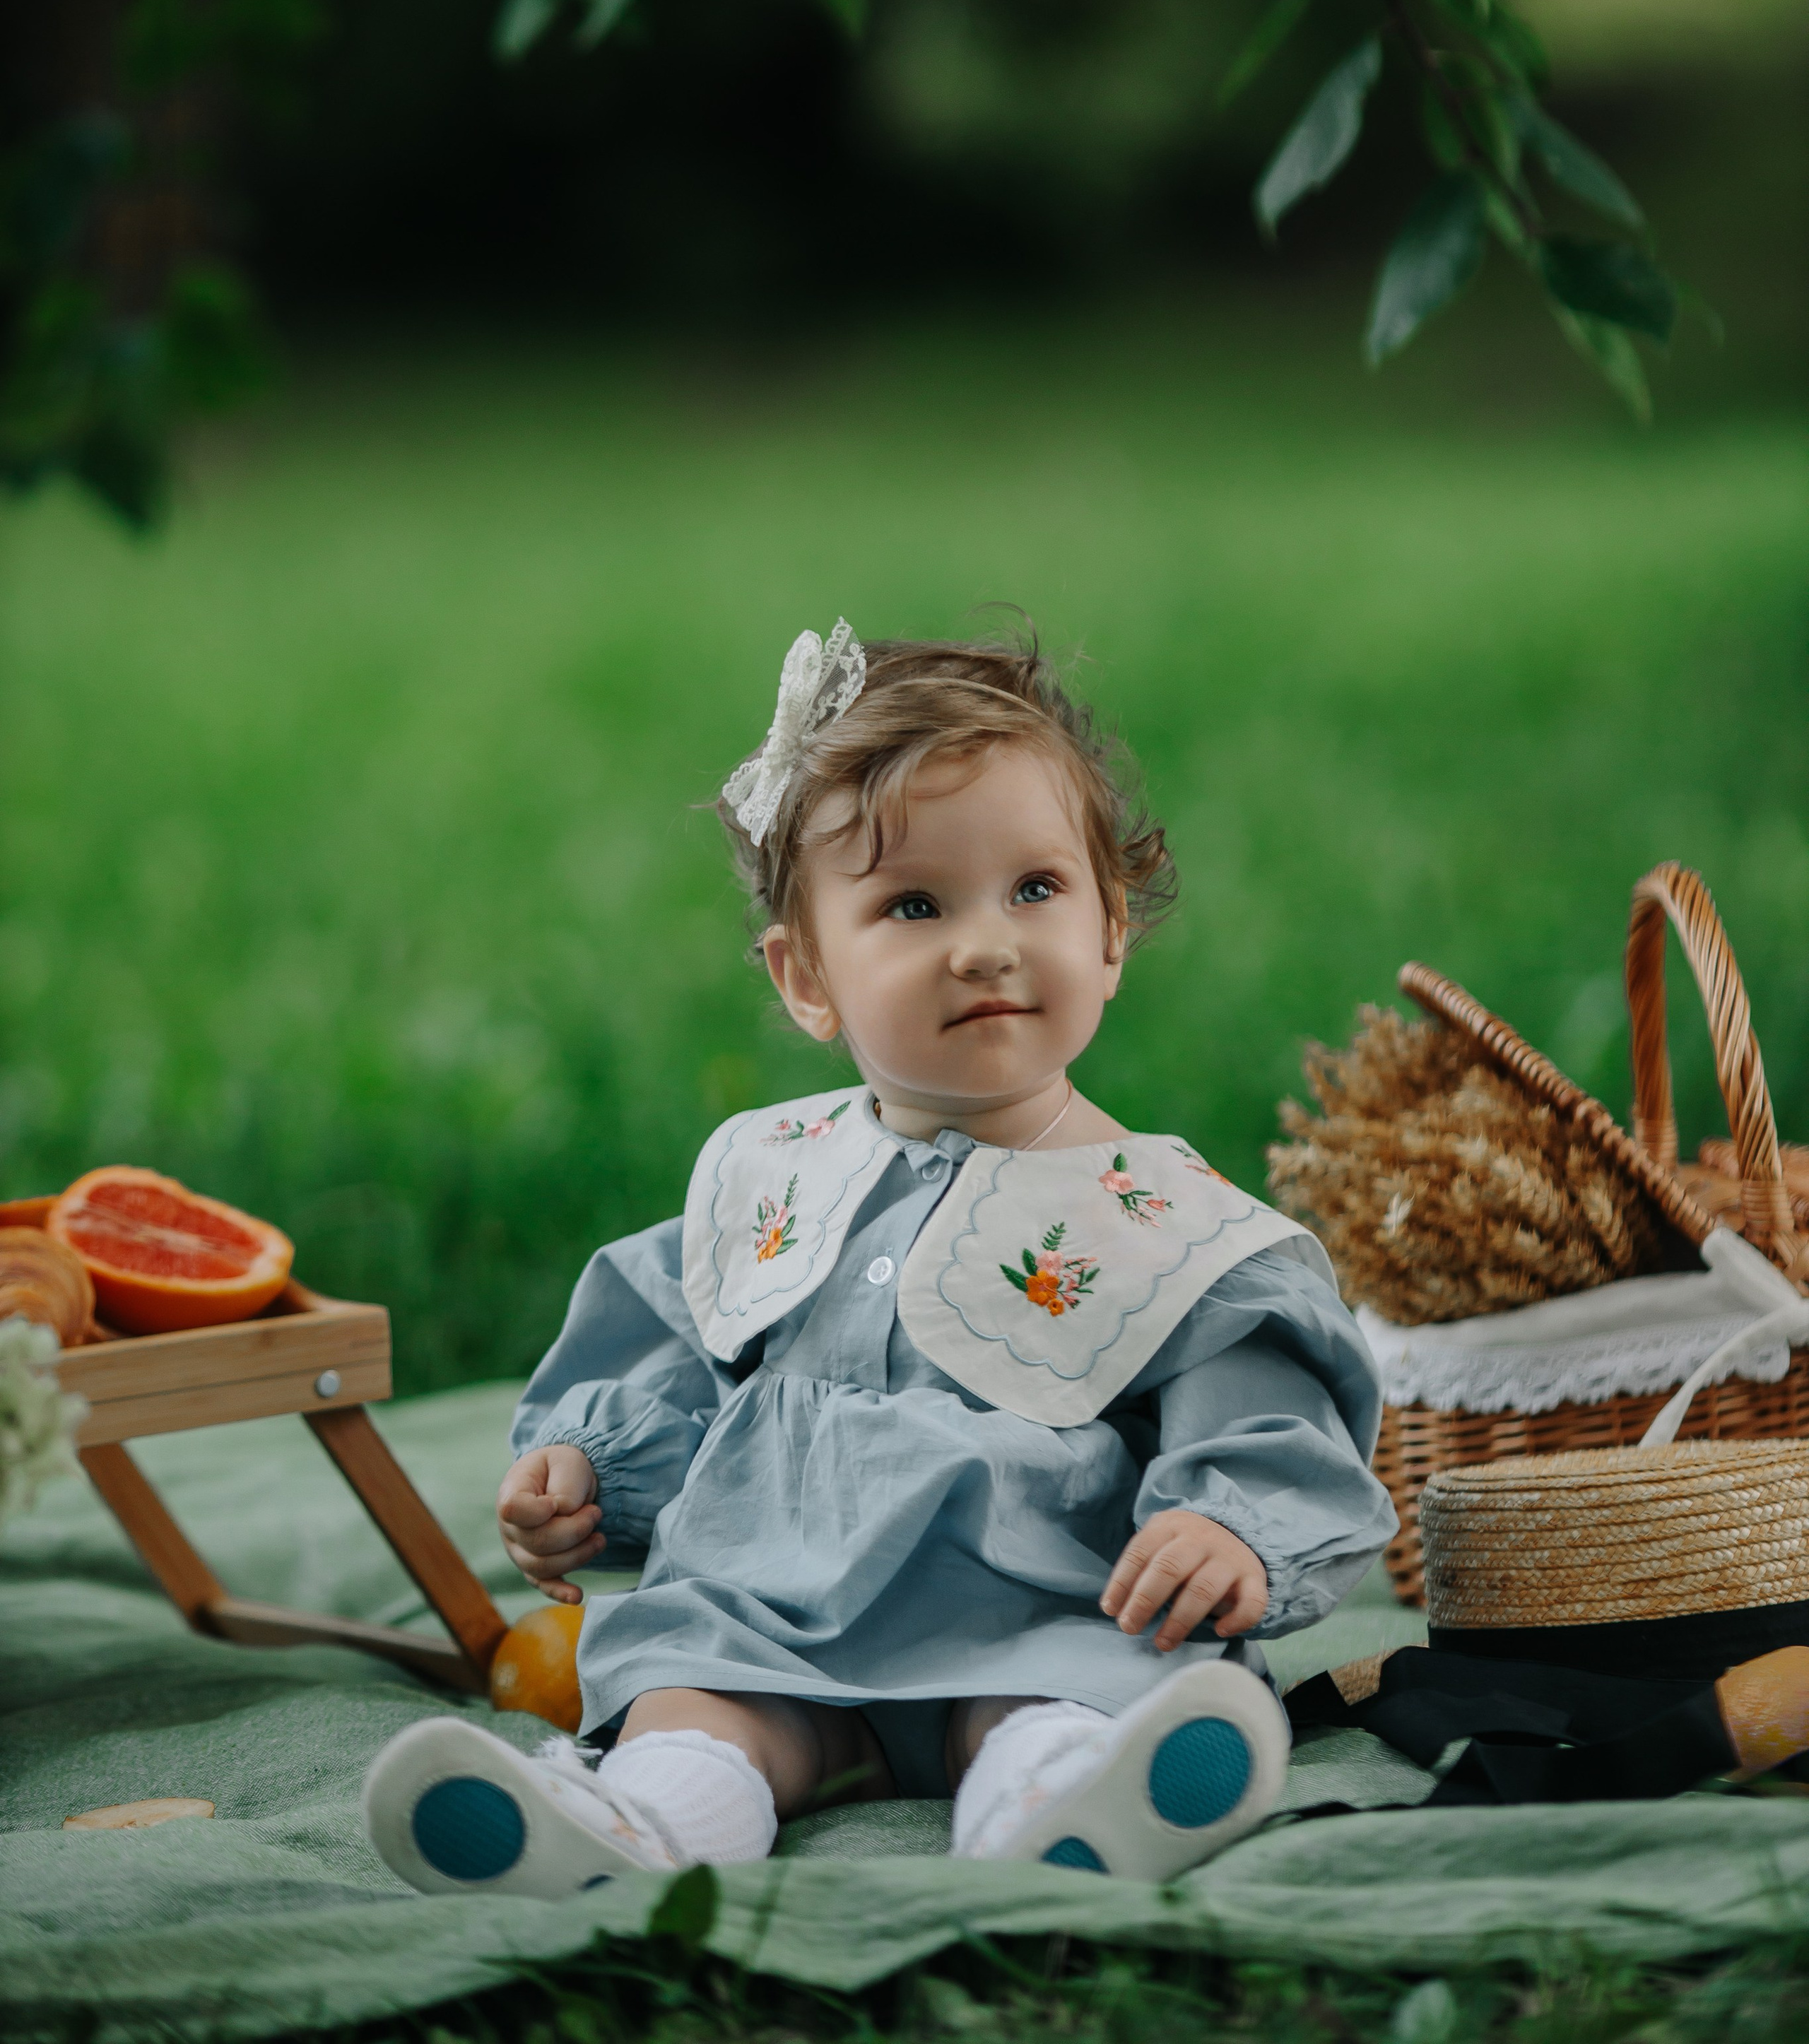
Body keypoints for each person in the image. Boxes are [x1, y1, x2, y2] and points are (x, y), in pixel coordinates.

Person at [365, 624, 1394, 1896]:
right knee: (691, 1693)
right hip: (768, 1612)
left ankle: (1055, 1799)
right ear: (808, 979)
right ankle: (645, 1825)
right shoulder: (770, 1174)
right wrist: (591, 1472)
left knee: (1081, 1686)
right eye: (915, 905)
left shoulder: (1165, 1221)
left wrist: (1225, 1527)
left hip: (1040, 1612)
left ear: (1112, 930)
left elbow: (1265, 1415)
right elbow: (687, 1356)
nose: (986, 943)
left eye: (1036, 889)